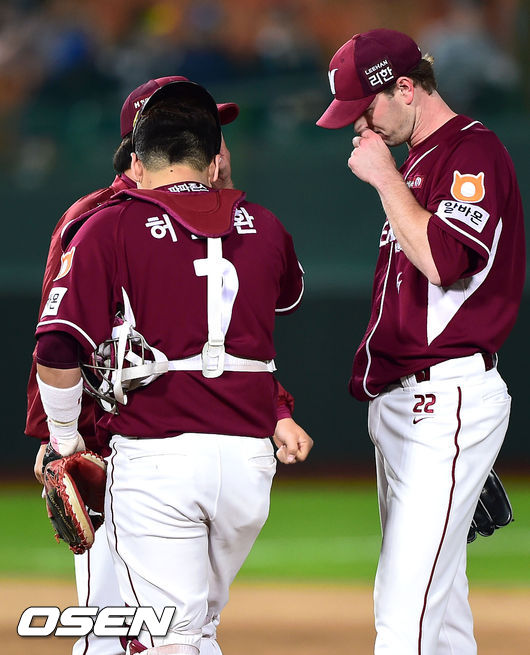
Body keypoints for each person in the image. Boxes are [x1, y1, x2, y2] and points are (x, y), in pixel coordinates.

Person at [26, 75, 310, 655]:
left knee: (155, 635)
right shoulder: (98, 218)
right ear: (138, 153)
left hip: (155, 457)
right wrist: (65, 442)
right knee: (147, 631)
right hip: (114, 452)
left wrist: (277, 408)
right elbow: (66, 344)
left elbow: (226, 342)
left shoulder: (134, 225)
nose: (220, 147)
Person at [317, 28, 525, 654]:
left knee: (403, 608)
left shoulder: (472, 151)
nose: (361, 128)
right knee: (442, 608)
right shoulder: (416, 162)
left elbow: (445, 261)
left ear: (405, 88)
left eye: (365, 110)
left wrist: (386, 181)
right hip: (404, 403)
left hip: (446, 399)